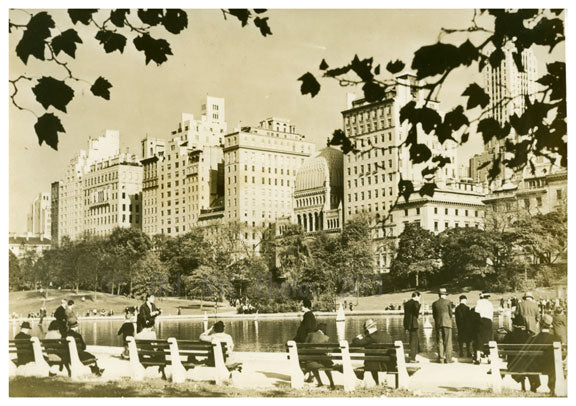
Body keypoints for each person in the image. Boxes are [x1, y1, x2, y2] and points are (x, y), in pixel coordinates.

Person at [526, 314, 561, 394]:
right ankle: (552, 387)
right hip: (550, 367)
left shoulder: (533, 339)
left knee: (530, 362)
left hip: (537, 367)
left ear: (541, 324)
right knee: (553, 362)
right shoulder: (556, 339)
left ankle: (534, 385)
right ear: (550, 326)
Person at [351, 319, 393, 384]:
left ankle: (377, 382)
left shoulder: (370, 337)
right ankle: (377, 383)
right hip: (389, 363)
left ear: (367, 329)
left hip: (377, 365)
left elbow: (357, 343)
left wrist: (356, 338)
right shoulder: (386, 334)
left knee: (370, 362)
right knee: (372, 360)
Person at [501, 315, 534, 391]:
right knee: (527, 362)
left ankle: (524, 386)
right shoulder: (528, 335)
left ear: (514, 325)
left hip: (513, 364)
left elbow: (504, 348)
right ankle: (533, 386)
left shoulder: (509, 335)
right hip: (527, 365)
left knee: (519, 362)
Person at [301, 323, 337, 389]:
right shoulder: (326, 338)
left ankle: (320, 383)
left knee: (313, 362)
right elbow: (328, 351)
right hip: (321, 363)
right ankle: (331, 382)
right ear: (324, 330)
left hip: (310, 364)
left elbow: (304, 347)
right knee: (326, 362)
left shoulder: (309, 335)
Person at [432, 288, 453, 363]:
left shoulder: (435, 303)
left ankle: (441, 359)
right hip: (447, 323)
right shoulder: (448, 302)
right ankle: (448, 359)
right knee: (448, 341)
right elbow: (451, 314)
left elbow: (434, 315)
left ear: (439, 295)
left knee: (440, 341)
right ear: (444, 295)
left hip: (438, 324)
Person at [474, 292, 494, 363]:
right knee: (488, 338)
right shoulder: (490, 304)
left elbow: (476, 312)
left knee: (479, 338)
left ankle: (478, 358)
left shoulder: (479, 302)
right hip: (489, 322)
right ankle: (489, 357)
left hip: (481, 321)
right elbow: (492, 315)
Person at [403, 291, 421, 362]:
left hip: (408, 324)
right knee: (414, 341)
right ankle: (413, 358)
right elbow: (416, 312)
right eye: (419, 297)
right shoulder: (415, 302)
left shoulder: (407, 303)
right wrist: (419, 303)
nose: (419, 298)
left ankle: (411, 355)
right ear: (416, 296)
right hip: (413, 324)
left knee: (411, 340)